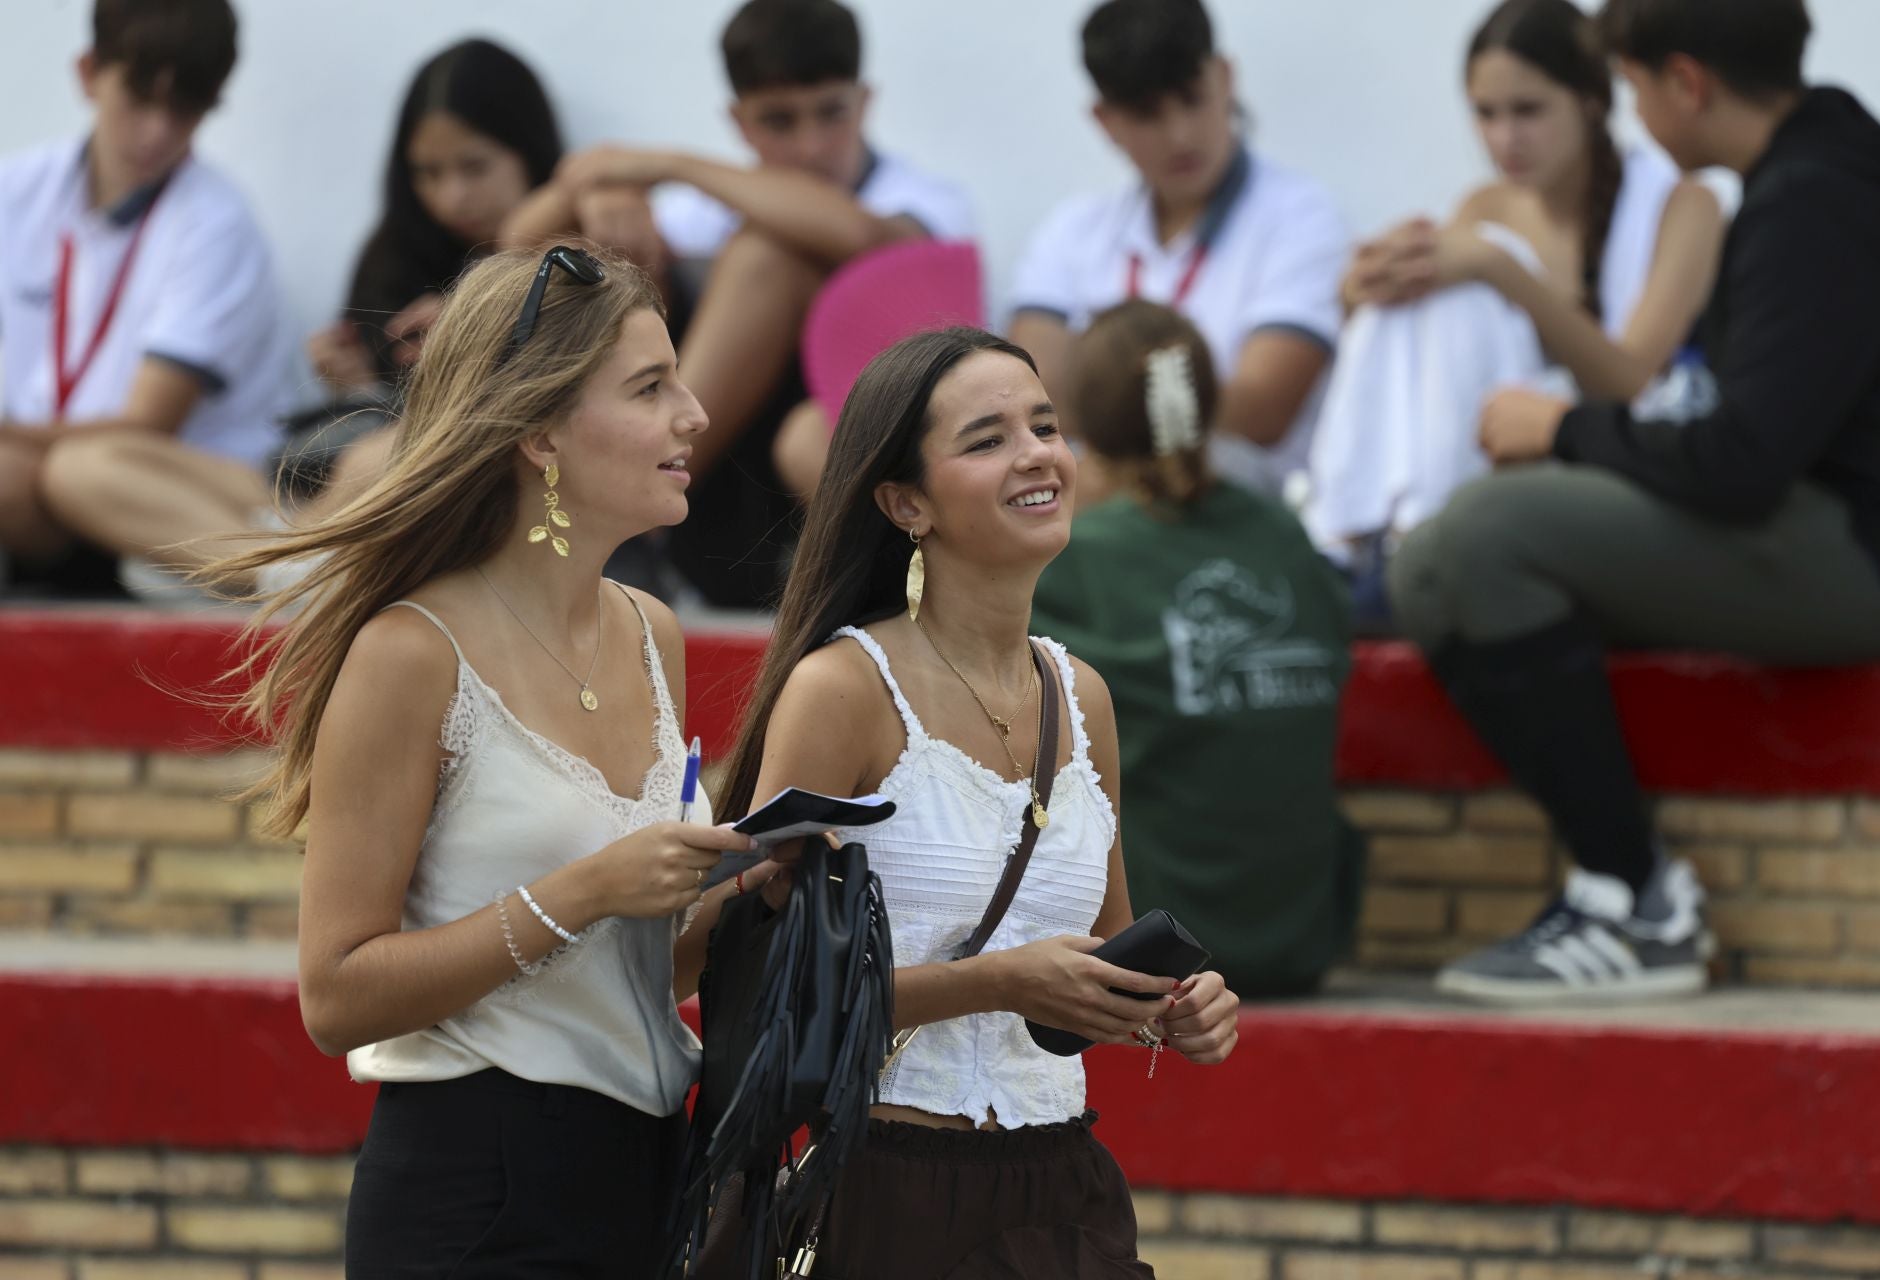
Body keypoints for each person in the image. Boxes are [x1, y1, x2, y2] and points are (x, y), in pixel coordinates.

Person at [206, 244, 778, 1274]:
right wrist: (585, 888)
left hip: (649, 1167)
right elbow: (334, 995)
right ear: (540, 431)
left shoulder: (654, 631)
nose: (694, 413)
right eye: (651, 387)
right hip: (476, 1181)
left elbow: (643, 972)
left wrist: (746, 884)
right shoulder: (411, 652)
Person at [1388, 0, 1880, 1003]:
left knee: (1478, 544)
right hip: (1843, 531)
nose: (1631, 110)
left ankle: (1634, 899)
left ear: (1686, 81)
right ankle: (1626, 891)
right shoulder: (1839, 167)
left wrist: (1563, 430)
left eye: (1630, 85)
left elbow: (1741, 461)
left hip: (1875, 558)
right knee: (1442, 557)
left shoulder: (1813, 200)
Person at [716, 326, 1240, 1276]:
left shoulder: (1083, 697)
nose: (1036, 453)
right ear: (905, 502)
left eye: (1045, 425)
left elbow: (1103, 958)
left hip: (1064, 1183)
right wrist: (997, 983)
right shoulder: (845, 688)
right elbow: (779, 992)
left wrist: (1176, 1006)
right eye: (988, 438)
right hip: (886, 1184)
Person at [506, 0, 974, 610]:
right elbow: (515, 255)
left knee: (769, 257)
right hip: (717, 496)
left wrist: (669, 164)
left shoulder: (925, 199)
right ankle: (614, 509)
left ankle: (622, 504)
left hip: (836, 492)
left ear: (864, 103)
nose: (810, 145)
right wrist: (590, 187)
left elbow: (863, 239)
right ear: (741, 121)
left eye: (830, 114)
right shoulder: (705, 213)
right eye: (780, 121)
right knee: (604, 259)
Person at [65, 38, 566, 599]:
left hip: (404, 479)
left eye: (475, 167)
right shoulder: (394, 253)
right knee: (85, 466)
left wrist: (472, 338)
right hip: (313, 481)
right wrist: (351, 382)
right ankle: (279, 572)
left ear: (528, 150)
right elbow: (372, 406)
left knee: (408, 447)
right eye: (428, 173)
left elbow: (518, 417)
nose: (453, 195)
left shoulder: (566, 255)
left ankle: (248, 569)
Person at [1304, 0, 1723, 628]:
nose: (1505, 139)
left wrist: (1501, 271)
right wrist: (1362, 285)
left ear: (1589, 100)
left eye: (1528, 111)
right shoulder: (1484, 207)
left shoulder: (1683, 205)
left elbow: (1632, 383)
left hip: (1625, 471)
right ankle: (1360, 538)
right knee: (1421, 289)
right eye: (1486, 114)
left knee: (1472, 272)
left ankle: (1398, 539)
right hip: (1501, 466)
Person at [1030, 301, 1360, 998]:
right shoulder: (1281, 534)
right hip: (1302, 936)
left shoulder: (1079, 557)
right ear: (1207, 405)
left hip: (1157, 947)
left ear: (1079, 421)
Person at [0, 0, 292, 598]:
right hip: (55, 481)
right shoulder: (15, 190)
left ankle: (291, 581)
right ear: (87, 73)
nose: (157, 132)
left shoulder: (218, 222)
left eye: (184, 109)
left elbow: (146, 425)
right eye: (139, 97)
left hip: (175, 490)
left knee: (80, 470)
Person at [1008, 0, 1348, 502]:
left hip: (1232, 509)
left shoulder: (1304, 220)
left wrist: (1102, 413)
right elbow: (1028, 393)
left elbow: (1261, 411)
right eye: (1147, 113)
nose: (1180, 135)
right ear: (1104, 120)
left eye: (1191, 98)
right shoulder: (1072, 229)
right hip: (1095, 510)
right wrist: (1185, 406)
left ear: (1226, 77)